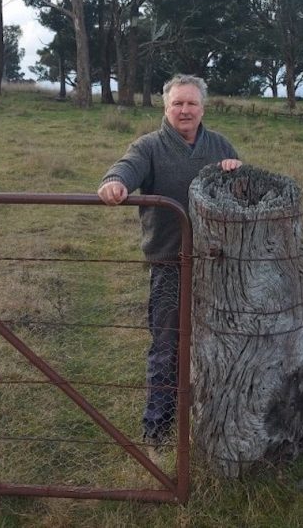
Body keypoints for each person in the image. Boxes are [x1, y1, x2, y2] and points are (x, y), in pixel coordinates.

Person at [97, 74, 242, 445]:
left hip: (216, 265)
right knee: (166, 345)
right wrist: (116, 182)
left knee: (219, 340)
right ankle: (157, 428)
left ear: (202, 108)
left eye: (191, 103)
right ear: (166, 107)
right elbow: (126, 167)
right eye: (178, 103)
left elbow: (243, 190)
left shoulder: (219, 145)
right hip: (169, 265)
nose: (185, 110)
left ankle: (214, 419)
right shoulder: (149, 147)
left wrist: (236, 172)